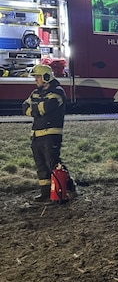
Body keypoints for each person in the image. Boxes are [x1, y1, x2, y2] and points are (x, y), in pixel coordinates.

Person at [22, 64, 67, 203]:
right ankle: (45, 193)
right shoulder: (36, 92)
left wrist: (35, 109)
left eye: (38, 77)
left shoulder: (58, 92)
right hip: (36, 135)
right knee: (41, 166)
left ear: (46, 77)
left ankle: (66, 187)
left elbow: (46, 108)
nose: (36, 80)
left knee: (53, 164)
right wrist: (36, 109)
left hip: (51, 134)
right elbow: (25, 107)